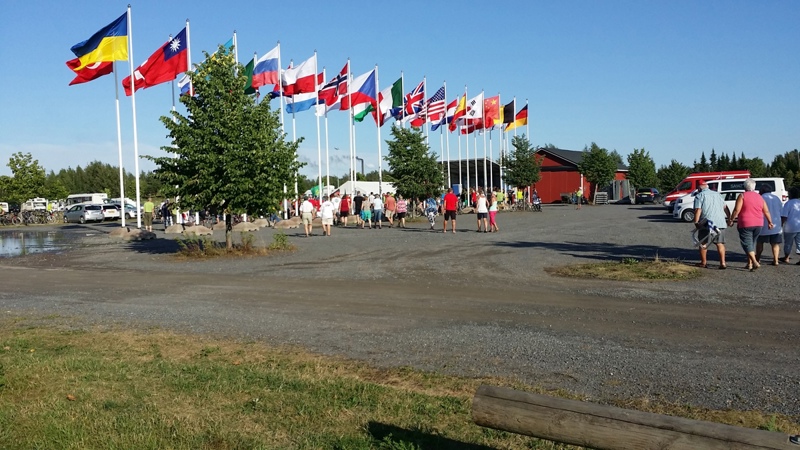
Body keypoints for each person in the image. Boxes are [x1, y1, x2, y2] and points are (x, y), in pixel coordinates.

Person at [728, 179, 774, 271]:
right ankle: (749, 264)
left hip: (745, 223)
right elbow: (766, 211)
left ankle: (754, 262)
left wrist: (731, 219)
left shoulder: (742, 196)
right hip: (759, 223)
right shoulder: (760, 197)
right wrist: (770, 222)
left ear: (744, 187)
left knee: (747, 243)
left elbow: (737, 210)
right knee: (752, 243)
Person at [693, 180, 730, 269]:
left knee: (703, 242)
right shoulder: (718, 194)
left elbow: (698, 210)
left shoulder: (699, 196)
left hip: (706, 223)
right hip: (720, 222)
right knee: (720, 243)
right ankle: (723, 263)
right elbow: (725, 207)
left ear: (699, 188)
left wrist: (696, 222)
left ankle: (703, 262)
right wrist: (729, 218)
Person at [755, 185, 783, 266]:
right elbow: (781, 210)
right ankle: (776, 260)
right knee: (775, 243)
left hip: (763, 224)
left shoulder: (760, 198)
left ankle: (757, 259)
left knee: (760, 242)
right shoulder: (776, 198)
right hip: (776, 224)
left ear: (761, 191)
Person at [780, 187, 800, 264]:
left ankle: (786, 257)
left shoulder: (788, 204)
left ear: (790, 195)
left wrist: (781, 224)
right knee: (799, 243)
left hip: (790, 227)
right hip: (799, 226)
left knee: (788, 243)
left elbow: (784, 216)